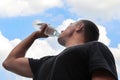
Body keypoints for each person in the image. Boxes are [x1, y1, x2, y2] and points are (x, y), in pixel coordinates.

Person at [2, 19, 118, 80]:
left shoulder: (94, 47)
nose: (62, 30)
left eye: (68, 26)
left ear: (79, 27)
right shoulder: (44, 63)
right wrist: (35, 35)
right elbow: (10, 62)